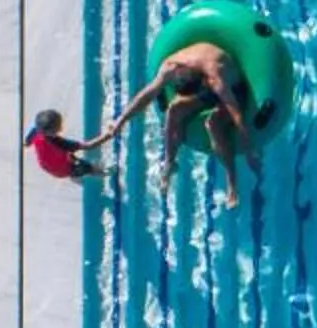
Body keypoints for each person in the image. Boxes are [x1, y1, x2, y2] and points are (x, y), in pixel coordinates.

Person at [96, 42, 258, 209]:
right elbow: (147, 95)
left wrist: (248, 150)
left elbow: (236, 114)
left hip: (236, 88)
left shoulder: (214, 75)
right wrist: (121, 120)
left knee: (213, 124)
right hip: (206, 90)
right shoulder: (170, 67)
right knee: (173, 110)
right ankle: (169, 162)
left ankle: (232, 183)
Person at [22, 108, 111, 185]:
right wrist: (108, 135)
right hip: (61, 170)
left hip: (46, 163)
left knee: (70, 156)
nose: (61, 128)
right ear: (53, 132)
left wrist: (27, 143)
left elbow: (28, 140)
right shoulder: (59, 143)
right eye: (59, 127)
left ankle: (74, 166)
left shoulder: (37, 129)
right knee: (87, 166)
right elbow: (88, 146)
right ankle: (93, 173)